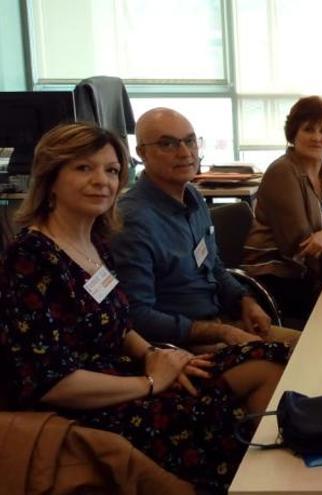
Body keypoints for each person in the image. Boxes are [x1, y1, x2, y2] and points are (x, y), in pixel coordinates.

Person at [0, 122, 290, 492]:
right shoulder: (30, 258)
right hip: (94, 406)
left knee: (268, 358)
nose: (102, 181)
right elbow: (51, 384)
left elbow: (119, 323)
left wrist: (156, 354)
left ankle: (269, 482)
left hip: (132, 375)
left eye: (111, 170)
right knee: (219, 421)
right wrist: (151, 382)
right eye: (83, 168)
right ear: (50, 178)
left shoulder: (94, 243)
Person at [110, 108, 299, 347]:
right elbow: (137, 317)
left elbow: (215, 267)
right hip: (183, 346)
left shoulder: (192, 196)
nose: (185, 152)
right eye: (167, 144)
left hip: (221, 323)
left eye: (190, 141)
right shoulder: (132, 220)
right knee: (291, 366)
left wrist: (245, 300)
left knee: (311, 349)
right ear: (141, 153)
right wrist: (219, 333)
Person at [241, 96, 322, 323]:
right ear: (293, 134)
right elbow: (301, 246)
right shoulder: (283, 172)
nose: (317, 137)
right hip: (278, 275)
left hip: (312, 269)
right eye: (308, 129)